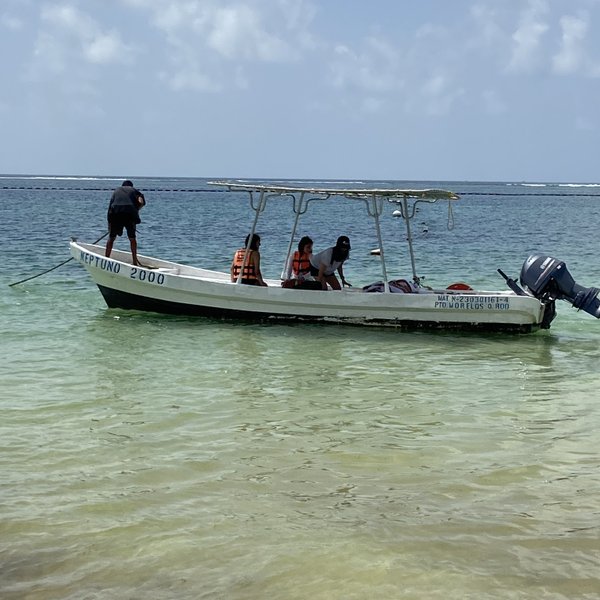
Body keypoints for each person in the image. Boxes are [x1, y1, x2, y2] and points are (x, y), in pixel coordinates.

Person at [105, 180, 146, 266]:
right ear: (131, 186)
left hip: (115, 213)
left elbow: (110, 208)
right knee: (132, 238)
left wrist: (110, 224)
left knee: (111, 238)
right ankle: (134, 261)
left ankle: (106, 258)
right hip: (129, 213)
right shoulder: (134, 190)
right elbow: (141, 202)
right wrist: (136, 210)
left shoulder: (116, 190)